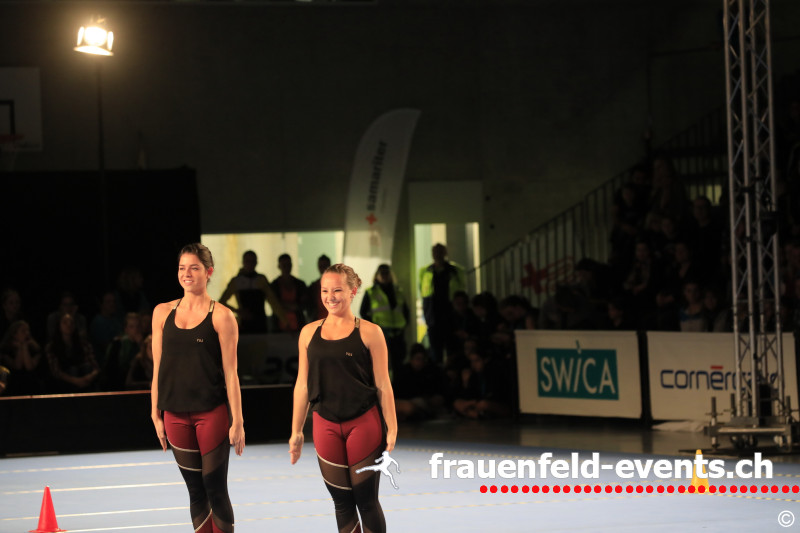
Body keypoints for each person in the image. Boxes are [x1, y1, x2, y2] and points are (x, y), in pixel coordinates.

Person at [289, 263, 397, 533]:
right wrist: (296, 430)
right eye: (325, 290)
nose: (330, 297)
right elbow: (302, 384)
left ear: (353, 291)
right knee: (342, 503)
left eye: (337, 290)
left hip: (364, 422)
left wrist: (392, 426)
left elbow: (383, 384)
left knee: (366, 500)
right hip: (324, 423)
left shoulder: (370, 332)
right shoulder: (308, 333)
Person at [150, 243, 245, 533]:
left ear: (209, 272)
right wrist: (155, 412)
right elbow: (158, 368)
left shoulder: (222, 316)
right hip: (174, 414)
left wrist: (238, 421)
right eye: (182, 268)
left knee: (215, 487)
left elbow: (231, 374)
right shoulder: (161, 313)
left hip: (211, 413)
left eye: (194, 268)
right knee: (195, 490)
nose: (187, 274)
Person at [218, 250, 287, 334]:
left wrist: (286, 322)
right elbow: (221, 302)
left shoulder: (261, 280)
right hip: (244, 324)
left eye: (253, 261)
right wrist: (238, 311)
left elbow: (274, 303)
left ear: (256, 263)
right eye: (248, 261)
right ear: (243, 262)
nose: (250, 264)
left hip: (260, 324)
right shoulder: (236, 281)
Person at [360, 263, 409, 378]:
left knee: (399, 362)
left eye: (386, 273)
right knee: (383, 363)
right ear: (377, 275)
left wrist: (405, 324)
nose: (384, 275)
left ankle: (398, 385)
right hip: (381, 332)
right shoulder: (371, 292)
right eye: (382, 273)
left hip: (398, 332)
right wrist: (374, 327)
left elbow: (405, 310)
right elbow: (363, 312)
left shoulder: (398, 291)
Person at [419, 243, 466, 365]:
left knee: (453, 350)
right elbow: (423, 292)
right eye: (435, 252)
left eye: (440, 251)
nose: (438, 254)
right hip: (433, 316)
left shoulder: (455, 271)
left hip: (451, 316)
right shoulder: (425, 271)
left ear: (445, 253)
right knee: (435, 352)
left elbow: (462, 289)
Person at [46, 313, 100, 393]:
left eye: (71, 322)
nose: (69, 325)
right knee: (73, 370)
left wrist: (89, 377)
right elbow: (56, 371)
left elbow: (95, 366)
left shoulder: (83, 344)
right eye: (65, 322)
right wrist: (76, 381)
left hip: (84, 377)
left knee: (87, 368)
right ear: (59, 326)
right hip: (65, 381)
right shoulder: (52, 346)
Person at [0, 320, 45, 395]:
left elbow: (29, 367)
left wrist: (24, 346)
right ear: (14, 335)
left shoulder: (35, 349)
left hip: (32, 385)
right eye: (23, 331)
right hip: (13, 385)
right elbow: (17, 366)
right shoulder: (6, 350)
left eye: (28, 330)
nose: (27, 333)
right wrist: (20, 348)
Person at [102, 312, 144, 391]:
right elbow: (112, 368)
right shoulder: (117, 344)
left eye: (138, 326)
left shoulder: (146, 343)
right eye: (131, 327)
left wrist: (141, 344)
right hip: (119, 383)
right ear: (126, 329)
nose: (136, 330)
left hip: (138, 382)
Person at [270, 253, 309, 333]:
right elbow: (274, 305)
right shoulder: (274, 285)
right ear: (279, 266)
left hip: (298, 326)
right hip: (279, 328)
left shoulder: (300, 284)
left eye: (288, 265)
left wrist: (284, 305)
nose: (286, 267)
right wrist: (294, 306)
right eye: (284, 265)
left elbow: (304, 305)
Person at [307, 254, 332, 322]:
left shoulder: (337, 286)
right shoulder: (313, 287)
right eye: (321, 266)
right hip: (318, 323)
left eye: (325, 266)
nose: (323, 269)